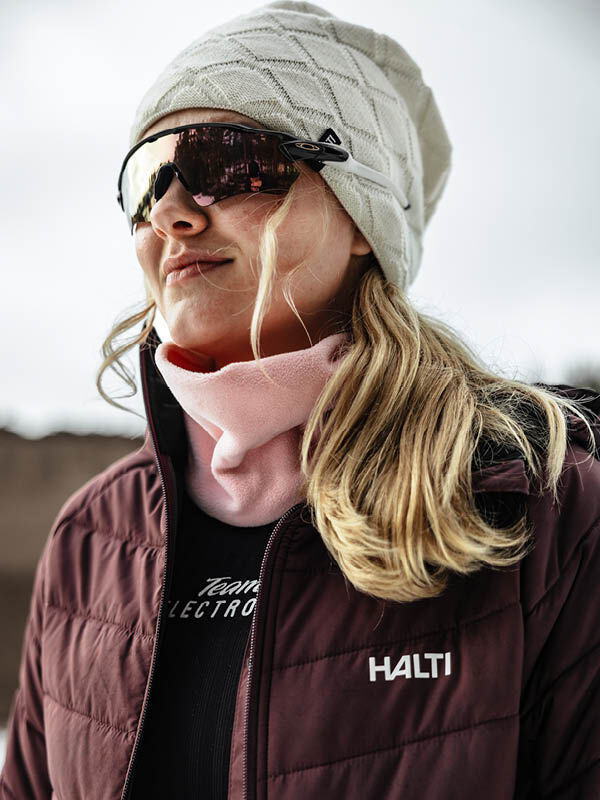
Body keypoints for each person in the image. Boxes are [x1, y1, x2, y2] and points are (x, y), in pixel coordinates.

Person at [2, 2, 600, 798]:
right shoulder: (90, 539)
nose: (171, 212)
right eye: (146, 182)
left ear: (361, 216)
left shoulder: (545, 507)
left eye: (226, 161)